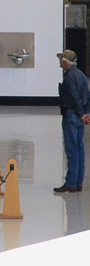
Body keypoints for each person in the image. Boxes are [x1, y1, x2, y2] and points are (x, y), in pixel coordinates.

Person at [54, 49, 90, 193]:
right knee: (79, 149)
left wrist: (81, 114)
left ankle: (71, 183)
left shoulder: (69, 77)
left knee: (72, 150)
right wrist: (86, 113)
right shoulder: (81, 75)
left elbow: (74, 97)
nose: (60, 61)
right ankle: (78, 182)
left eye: (61, 59)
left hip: (71, 115)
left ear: (65, 62)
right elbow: (87, 95)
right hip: (80, 115)